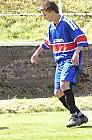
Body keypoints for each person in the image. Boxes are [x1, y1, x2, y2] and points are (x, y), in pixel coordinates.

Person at [31, 0, 89, 128]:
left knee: (64, 84)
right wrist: (36, 53)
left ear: (52, 12)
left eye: (45, 14)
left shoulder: (67, 23)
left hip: (70, 59)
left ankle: (74, 115)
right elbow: (47, 42)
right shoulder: (51, 26)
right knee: (58, 93)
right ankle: (79, 115)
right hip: (60, 62)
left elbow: (82, 38)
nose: (44, 17)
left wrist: (76, 53)